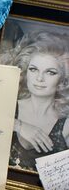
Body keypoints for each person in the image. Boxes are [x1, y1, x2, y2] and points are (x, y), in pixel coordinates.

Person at [7, 35, 69, 170]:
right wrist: (18, 125)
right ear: (26, 72)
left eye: (50, 72)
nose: (39, 78)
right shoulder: (7, 105)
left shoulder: (66, 124)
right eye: (33, 69)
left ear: (63, 79)